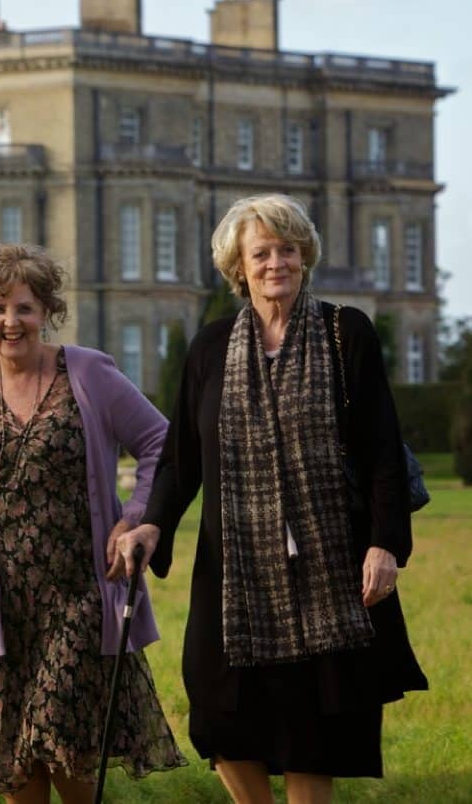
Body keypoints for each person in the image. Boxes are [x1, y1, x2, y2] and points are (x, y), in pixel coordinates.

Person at [109, 195, 428, 804]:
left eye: (287, 249)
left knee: (317, 721)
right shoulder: (209, 348)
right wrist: (151, 526)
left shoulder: (346, 332)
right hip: (235, 565)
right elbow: (180, 459)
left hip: (332, 563)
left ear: (304, 255)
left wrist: (385, 543)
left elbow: (382, 451)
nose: (275, 262)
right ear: (239, 266)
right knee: (219, 711)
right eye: (261, 253)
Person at [0, 244, 186, 803]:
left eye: (23, 308)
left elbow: (161, 442)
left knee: (63, 739)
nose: (10, 322)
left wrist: (137, 519)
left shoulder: (88, 372)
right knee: (17, 761)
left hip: (81, 590)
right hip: (4, 601)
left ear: (45, 310)